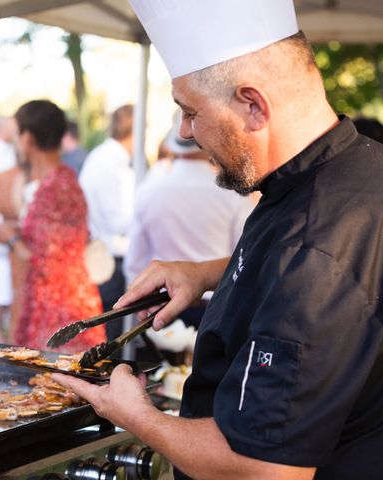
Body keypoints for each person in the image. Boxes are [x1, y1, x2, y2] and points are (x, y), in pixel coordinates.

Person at [53, 1, 383, 479]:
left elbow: (264, 470)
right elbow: (340, 271)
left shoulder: (313, 248)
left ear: (253, 105)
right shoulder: (359, 167)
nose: (185, 133)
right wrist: (208, 273)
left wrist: (137, 415)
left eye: (190, 112)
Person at [0, 100, 105, 351]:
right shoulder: (62, 180)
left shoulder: (54, 186)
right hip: (61, 300)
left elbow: (44, 260)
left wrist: (9, 238)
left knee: (53, 386)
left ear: (28, 137)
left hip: (60, 306)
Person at [124, 110, 255, 301]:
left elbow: (134, 265)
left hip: (162, 304)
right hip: (216, 303)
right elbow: (246, 255)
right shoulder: (233, 194)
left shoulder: (148, 191)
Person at [79, 104, 135, 340]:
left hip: (108, 256)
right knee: (110, 338)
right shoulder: (110, 162)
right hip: (109, 261)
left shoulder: (105, 157)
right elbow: (119, 220)